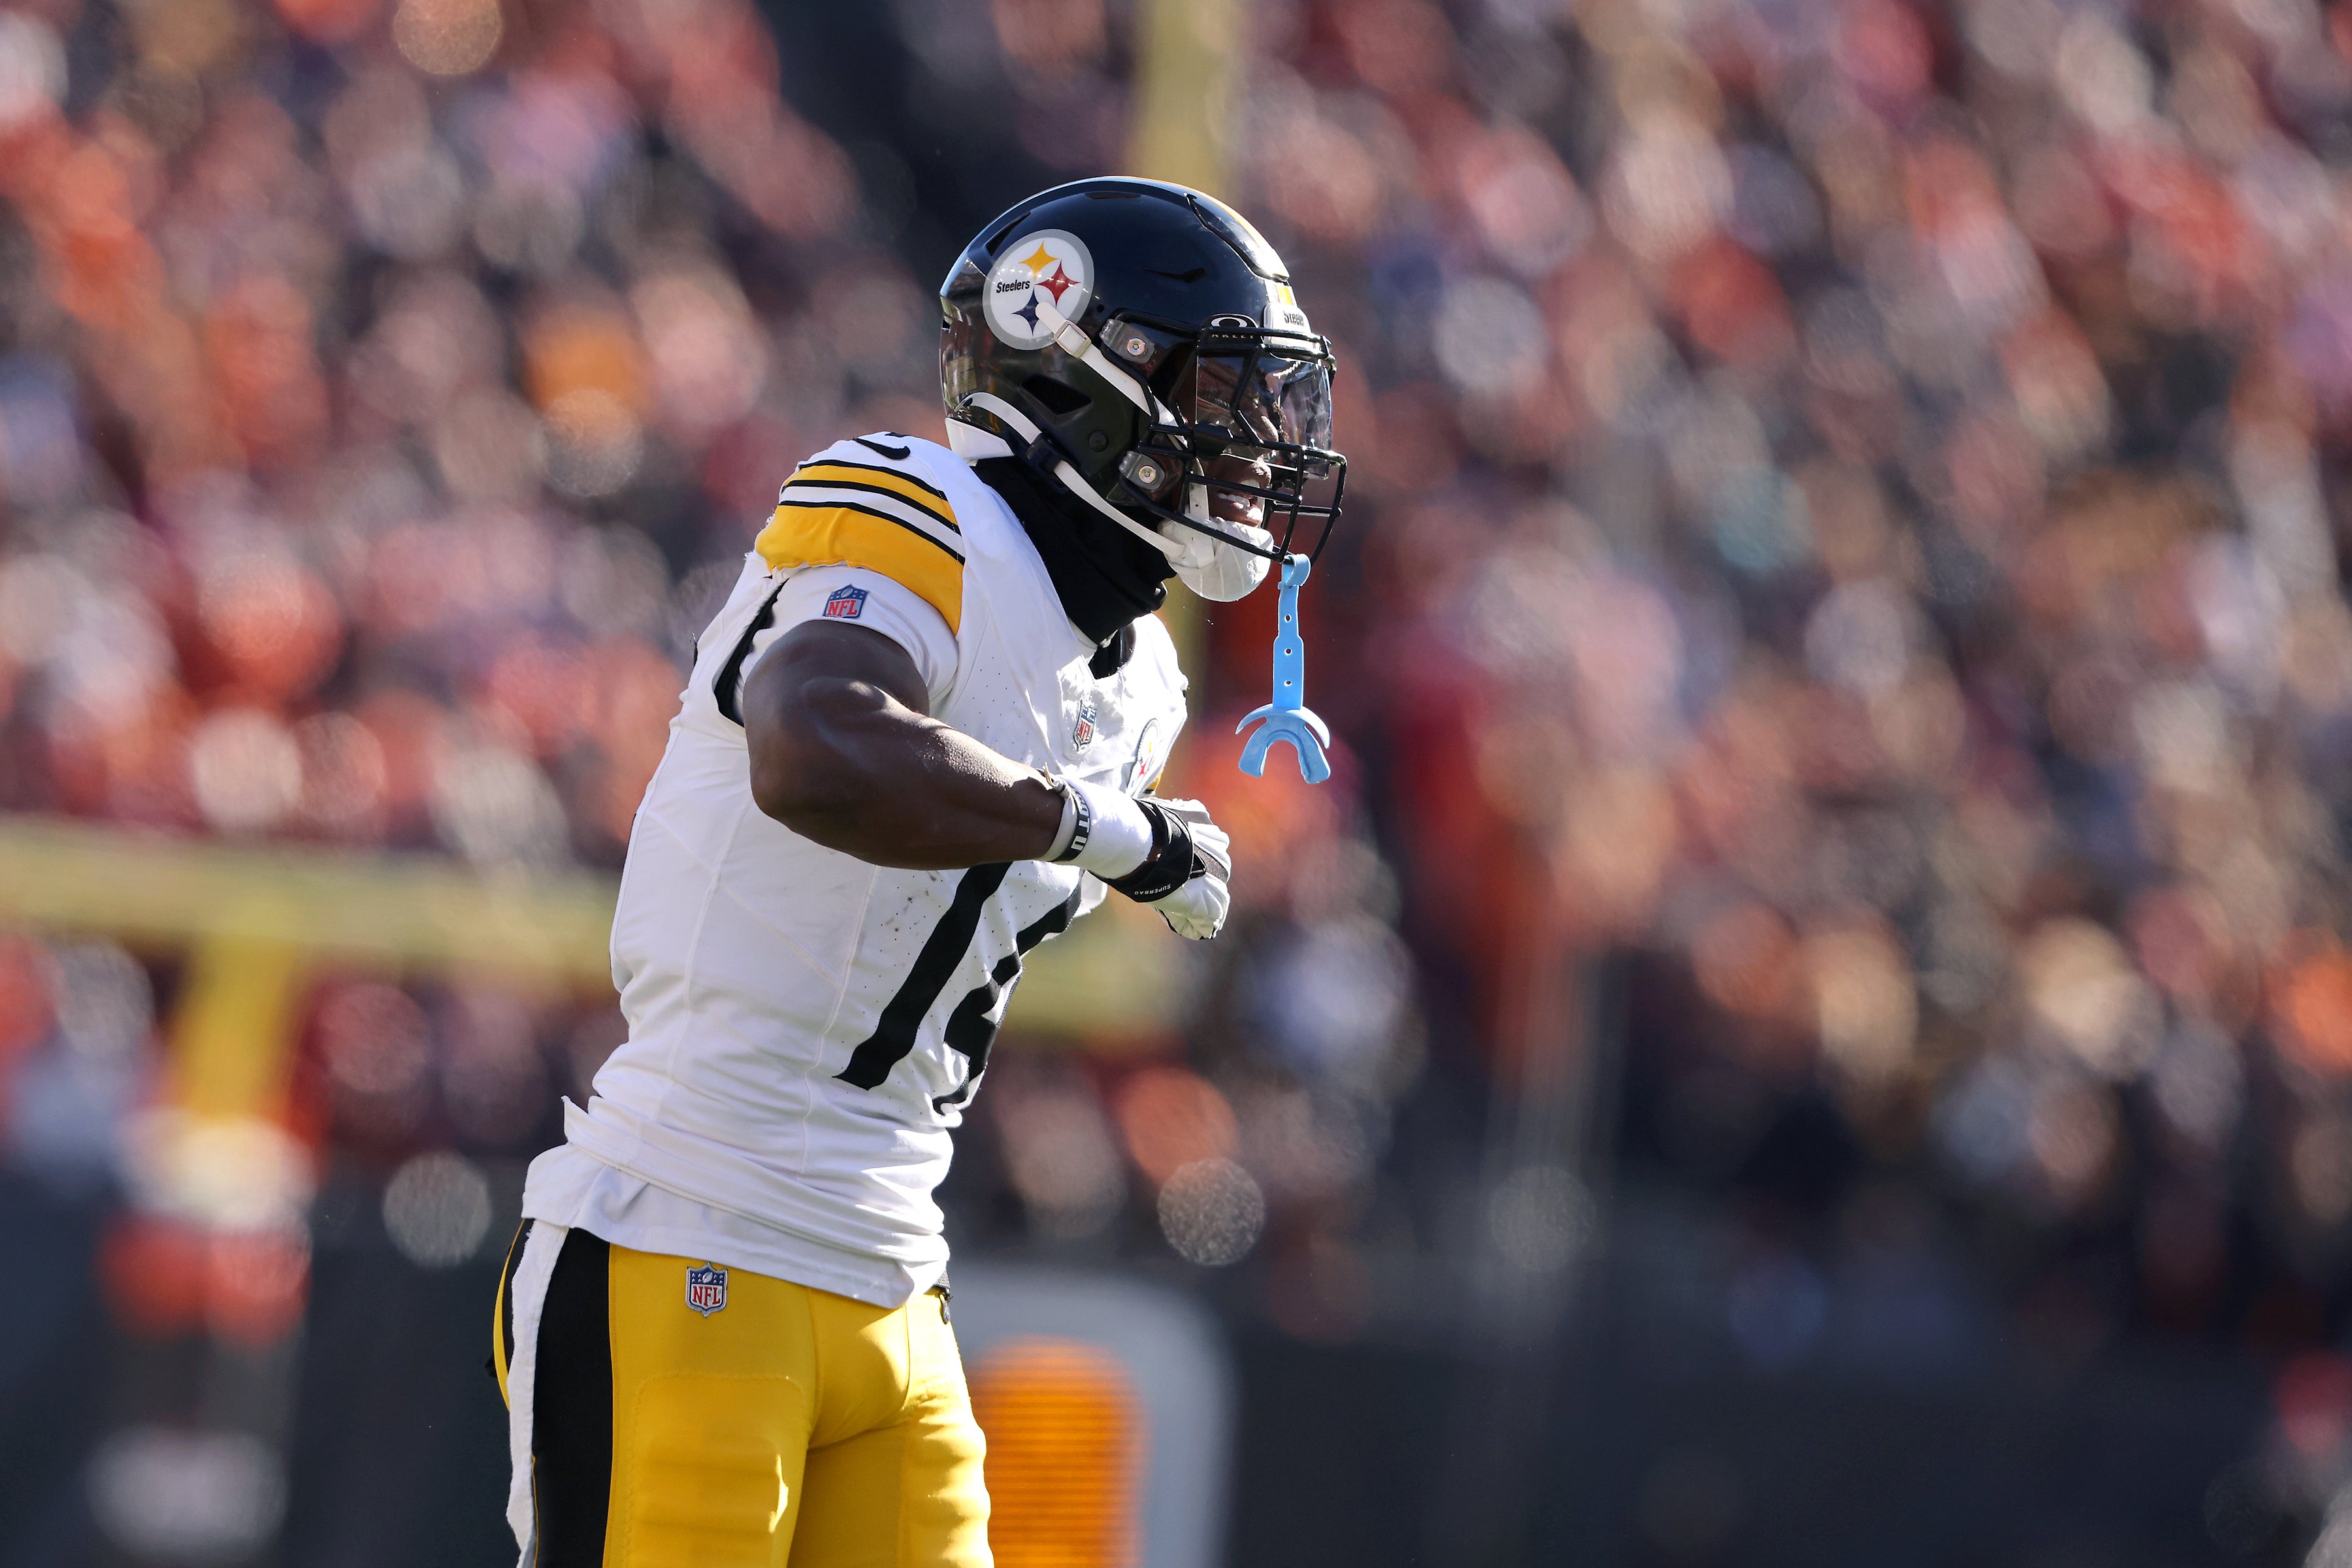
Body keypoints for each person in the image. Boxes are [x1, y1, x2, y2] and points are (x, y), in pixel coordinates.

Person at [489, 177, 1347, 1566]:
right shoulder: (910, 507)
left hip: (895, 1276)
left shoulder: (1143, 686)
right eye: (1216, 388)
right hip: (689, 1228)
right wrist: (1103, 831)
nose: (1253, 445)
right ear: (1073, 366)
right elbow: (817, 747)